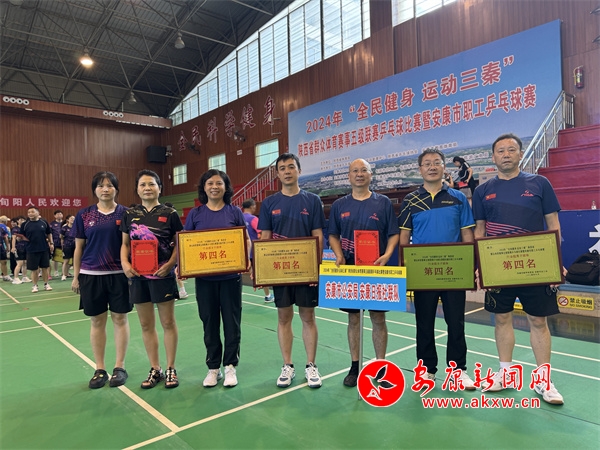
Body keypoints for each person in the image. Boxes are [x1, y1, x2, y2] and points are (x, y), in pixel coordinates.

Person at [472, 133, 564, 405]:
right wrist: (481, 266)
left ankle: (543, 381)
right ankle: (505, 375)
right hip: (498, 268)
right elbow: (480, 230)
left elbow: (553, 224)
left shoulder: (540, 184)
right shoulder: (482, 191)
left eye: (511, 149)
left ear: (521, 154)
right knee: (501, 319)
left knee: (538, 321)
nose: (506, 154)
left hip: (535, 266)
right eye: (500, 150)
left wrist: (555, 261)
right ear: (493, 157)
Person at [398, 149, 476, 390]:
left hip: (453, 272)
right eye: (427, 164)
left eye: (436, 163)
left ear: (444, 167)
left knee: (456, 323)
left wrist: (470, 265)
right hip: (423, 273)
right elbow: (404, 237)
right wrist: (404, 268)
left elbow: (467, 234)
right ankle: (426, 370)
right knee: (424, 324)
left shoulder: (458, 198)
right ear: (420, 169)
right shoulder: (410, 200)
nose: (432, 167)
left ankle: (458, 370)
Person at [328, 159, 399, 387]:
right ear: (349, 176)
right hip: (350, 269)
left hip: (377, 269)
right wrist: (339, 254)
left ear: (371, 174)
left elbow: (393, 233)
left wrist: (387, 255)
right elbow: (333, 235)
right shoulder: (339, 205)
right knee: (354, 318)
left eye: (364, 170)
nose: (359, 174)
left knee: (378, 318)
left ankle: (381, 366)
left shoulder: (383, 202)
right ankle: (355, 366)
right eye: (355, 171)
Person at [258, 153, 326, 388]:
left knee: (308, 316)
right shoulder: (269, 203)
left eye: (291, 167)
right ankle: (287, 365)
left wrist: (316, 267)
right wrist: (264, 270)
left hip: (305, 271)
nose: (287, 171)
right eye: (282, 168)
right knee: (283, 317)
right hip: (280, 271)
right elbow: (265, 238)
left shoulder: (313, 200)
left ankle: (311, 365)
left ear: (299, 170)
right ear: (277, 174)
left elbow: (318, 235)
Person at [183, 169, 250, 388]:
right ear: (204, 187)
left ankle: (230, 366)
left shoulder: (234, 212)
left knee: (232, 323)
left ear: (226, 187)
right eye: (210, 183)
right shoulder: (195, 214)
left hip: (230, 278)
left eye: (219, 183)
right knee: (209, 323)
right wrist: (183, 265)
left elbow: (245, 239)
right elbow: (186, 244)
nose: (214, 187)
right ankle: (213, 368)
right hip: (204, 281)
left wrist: (246, 258)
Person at [121, 170, 183, 389]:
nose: (147, 188)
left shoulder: (170, 213)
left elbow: (179, 244)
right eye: (142, 185)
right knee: (146, 324)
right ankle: (155, 368)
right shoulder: (130, 214)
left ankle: (171, 367)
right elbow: (125, 244)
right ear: (137, 189)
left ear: (159, 188)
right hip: (139, 277)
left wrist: (171, 264)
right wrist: (125, 263)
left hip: (162, 275)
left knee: (168, 322)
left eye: (151, 184)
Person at [72, 171, 131, 389]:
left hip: (119, 275)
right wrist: (76, 276)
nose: (105, 189)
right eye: (100, 186)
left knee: (120, 319)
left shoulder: (126, 213)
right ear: (94, 190)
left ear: (116, 189)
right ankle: (99, 368)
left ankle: (120, 366)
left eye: (109, 185)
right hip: (91, 275)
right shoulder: (84, 215)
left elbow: (129, 244)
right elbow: (79, 248)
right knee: (97, 321)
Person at [241, 198, 274, 302]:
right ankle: (268, 295)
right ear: (252, 206)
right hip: (254, 251)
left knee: (243, 273)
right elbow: (261, 234)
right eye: (254, 205)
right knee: (261, 273)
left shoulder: (239, 218)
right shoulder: (253, 219)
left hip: (242, 251)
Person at [21, 207, 53, 292]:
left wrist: (51, 243)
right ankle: (35, 285)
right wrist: (19, 238)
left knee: (45, 268)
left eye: (32, 212)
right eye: (29, 212)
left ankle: (46, 284)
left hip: (43, 249)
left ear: (38, 213)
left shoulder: (44, 222)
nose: (30, 214)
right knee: (34, 269)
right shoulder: (25, 224)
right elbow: (21, 236)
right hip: (31, 250)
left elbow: (49, 233)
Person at [11, 216, 30, 284]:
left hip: (26, 247)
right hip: (19, 247)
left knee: (25, 263)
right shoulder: (15, 229)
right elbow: (13, 239)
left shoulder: (26, 228)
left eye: (23, 220)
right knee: (20, 263)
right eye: (20, 220)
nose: (22, 221)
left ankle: (24, 277)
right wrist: (13, 247)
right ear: (18, 221)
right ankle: (15, 278)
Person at [60, 215, 75, 280]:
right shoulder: (64, 228)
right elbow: (61, 237)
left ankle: (76, 275)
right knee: (66, 261)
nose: (73, 220)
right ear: (68, 220)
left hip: (76, 246)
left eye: (74, 218)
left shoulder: (77, 227)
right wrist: (62, 247)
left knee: (75, 261)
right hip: (67, 246)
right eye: (71, 218)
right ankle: (64, 275)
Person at [50, 210, 64, 278]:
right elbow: (50, 234)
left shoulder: (65, 223)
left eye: (60, 214)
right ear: (55, 216)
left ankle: (64, 271)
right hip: (56, 243)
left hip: (64, 243)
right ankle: (56, 271)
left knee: (64, 258)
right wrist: (51, 242)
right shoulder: (52, 224)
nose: (59, 215)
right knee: (55, 258)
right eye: (57, 214)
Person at [0, 216, 12, 281]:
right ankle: (5, 275)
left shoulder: (3, 227)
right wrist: (8, 247)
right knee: (3, 261)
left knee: (3, 261)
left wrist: (7, 246)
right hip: (1, 247)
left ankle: (5, 275)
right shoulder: (3, 227)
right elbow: (6, 238)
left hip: (1, 246)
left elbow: (5, 237)